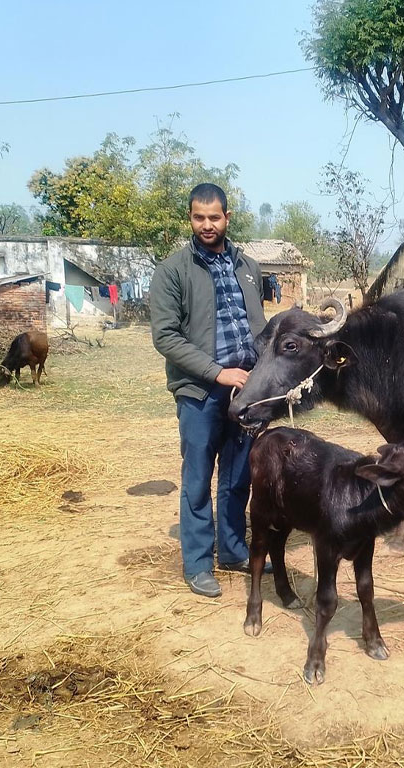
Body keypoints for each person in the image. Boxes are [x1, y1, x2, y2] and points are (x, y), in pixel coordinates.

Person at [150, 183, 268, 598]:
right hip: (200, 393)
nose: (206, 225)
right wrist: (218, 373)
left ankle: (234, 551)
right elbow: (165, 337)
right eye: (199, 217)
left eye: (214, 217)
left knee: (238, 477)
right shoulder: (172, 271)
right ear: (190, 218)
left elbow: (258, 328)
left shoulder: (248, 266)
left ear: (227, 218)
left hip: (246, 392)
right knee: (198, 480)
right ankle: (198, 563)